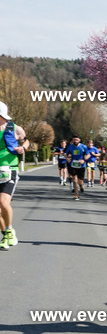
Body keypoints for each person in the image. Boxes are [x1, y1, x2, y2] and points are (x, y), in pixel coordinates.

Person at [0, 101, 28, 250]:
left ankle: (9, 229)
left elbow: (26, 141)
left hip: (9, 169)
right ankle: (5, 234)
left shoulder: (14, 128)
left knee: (4, 202)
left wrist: (22, 148)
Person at [65, 135, 90, 200]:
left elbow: (88, 155)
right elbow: (65, 154)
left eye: (77, 140)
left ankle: (81, 185)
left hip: (81, 165)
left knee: (80, 181)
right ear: (72, 140)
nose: (75, 141)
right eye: (74, 140)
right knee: (74, 180)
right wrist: (67, 158)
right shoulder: (70, 146)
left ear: (79, 140)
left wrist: (84, 160)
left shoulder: (83, 146)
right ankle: (76, 195)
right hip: (73, 164)